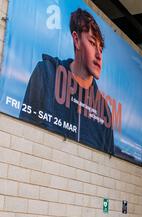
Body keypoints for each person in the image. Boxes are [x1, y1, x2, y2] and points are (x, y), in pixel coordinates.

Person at [20, 8, 114, 154]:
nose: (98, 55)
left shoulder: (104, 112)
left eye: (101, 49)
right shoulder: (46, 73)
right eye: (92, 43)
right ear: (76, 40)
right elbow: (24, 132)